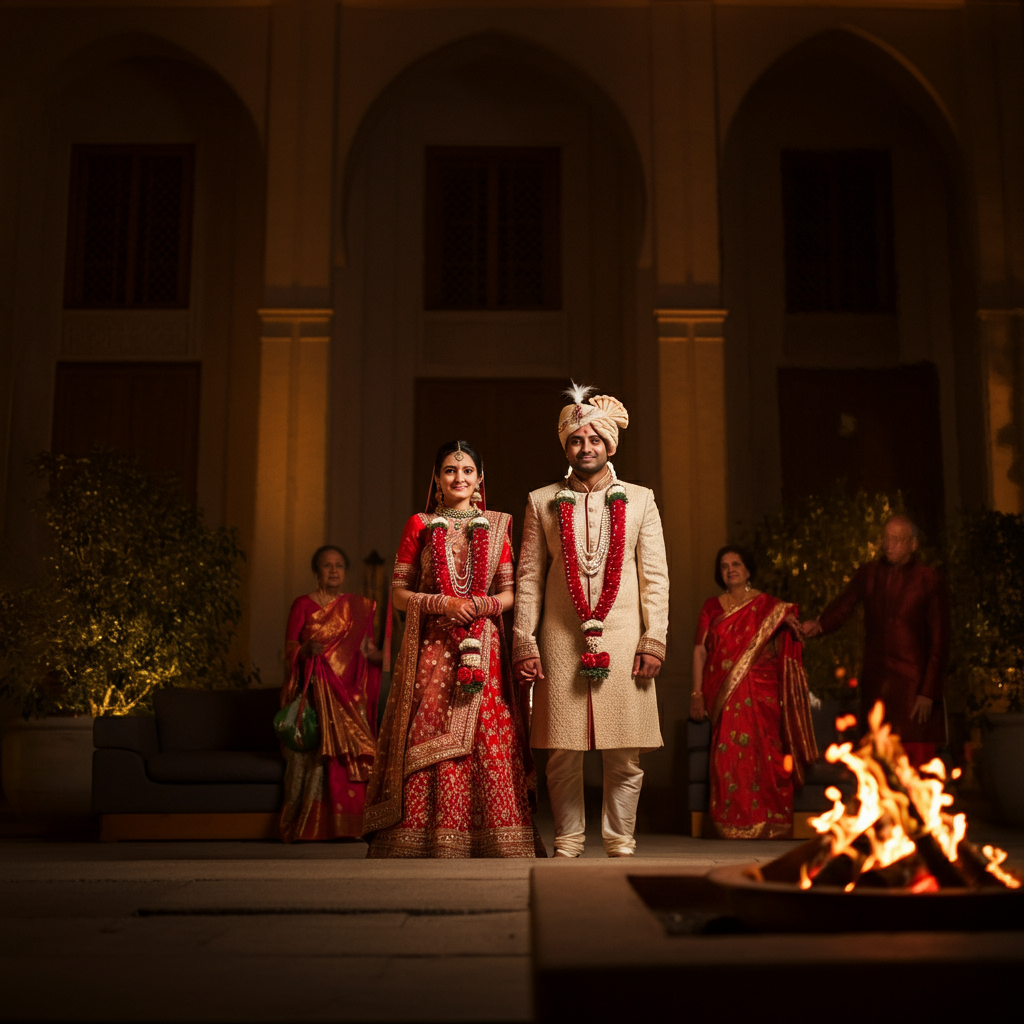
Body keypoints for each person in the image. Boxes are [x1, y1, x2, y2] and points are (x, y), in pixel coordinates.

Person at [362, 440, 545, 858]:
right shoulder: (420, 524)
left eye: (466, 471)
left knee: (490, 734)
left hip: (484, 646)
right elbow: (399, 594)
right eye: (449, 470)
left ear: (480, 479)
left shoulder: (498, 525)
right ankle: (426, 837)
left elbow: (509, 593)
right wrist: (442, 603)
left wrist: (480, 605)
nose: (458, 478)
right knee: (428, 727)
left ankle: (496, 838)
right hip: (433, 646)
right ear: (437, 479)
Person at [513, 384, 669, 858]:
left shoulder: (640, 500)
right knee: (562, 752)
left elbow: (655, 578)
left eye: (595, 440)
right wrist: (524, 640)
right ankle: (568, 840)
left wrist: (654, 639)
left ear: (609, 445)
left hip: (624, 638)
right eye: (577, 440)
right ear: (566, 448)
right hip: (561, 637)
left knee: (626, 753)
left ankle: (620, 841)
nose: (586, 448)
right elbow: (528, 579)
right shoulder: (542, 501)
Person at [800, 515, 949, 767]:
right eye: (886, 538)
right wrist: (819, 625)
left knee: (915, 763)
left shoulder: (928, 579)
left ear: (913, 544)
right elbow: (843, 605)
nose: (889, 544)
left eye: (897, 539)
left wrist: (928, 692)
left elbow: (940, 640)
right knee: (876, 762)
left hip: (914, 686)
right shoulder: (869, 573)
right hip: (877, 682)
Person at [690, 546, 818, 839]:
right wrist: (696, 694)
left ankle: (772, 822)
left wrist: (786, 621)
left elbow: (789, 633)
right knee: (729, 755)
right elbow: (699, 651)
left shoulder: (768, 605)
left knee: (768, 752)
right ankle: (731, 824)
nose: (730, 570)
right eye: (724, 566)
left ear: (748, 570)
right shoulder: (712, 606)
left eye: (736, 564)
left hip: (763, 691)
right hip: (724, 691)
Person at [279, 546, 381, 842]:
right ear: (317, 571)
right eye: (327, 565)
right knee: (316, 757)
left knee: (353, 754)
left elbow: (366, 651)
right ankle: (312, 827)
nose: (333, 570)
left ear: (345, 572)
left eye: (339, 565)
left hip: (348, 696)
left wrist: (381, 655)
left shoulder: (355, 608)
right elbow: (288, 649)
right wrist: (304, 651)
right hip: (314, 693)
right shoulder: (302, 605)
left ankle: (352, 825)